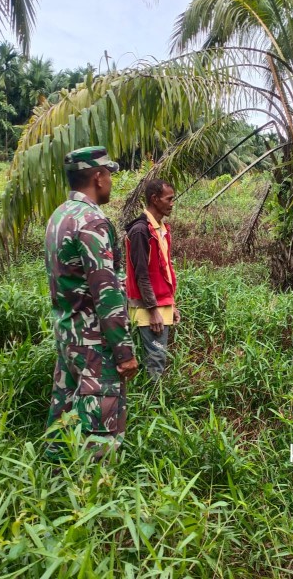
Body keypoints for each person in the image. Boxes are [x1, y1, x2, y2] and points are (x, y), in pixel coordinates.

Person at [44, 145, 139, 461]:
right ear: (98, 177)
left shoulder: (60, 215)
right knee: (100, 430)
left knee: (64, 419)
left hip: (67, 336)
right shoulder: (92, 222)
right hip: (94, 344)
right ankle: (95, 486)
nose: (111, 181)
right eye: (109, 174)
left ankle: (54, 480)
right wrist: (123, 351)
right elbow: (106, 292)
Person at [124, 179, 179, 380]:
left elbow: (163, 271)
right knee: (156, 362)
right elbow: (141, 275)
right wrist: (154, 310)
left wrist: (171, 304)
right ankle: (155, 397)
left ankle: (153, 393)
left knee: (158, 358)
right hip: (150, 309)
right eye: (169, 199)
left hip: (160, 304)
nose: (172, 203)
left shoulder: (160, 228)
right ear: (155, 199)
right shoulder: (141, 231)